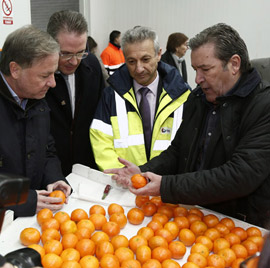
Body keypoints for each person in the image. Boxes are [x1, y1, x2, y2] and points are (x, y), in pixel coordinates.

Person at [105, 23, 270, 228]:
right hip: (193, 215)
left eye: (206, 69)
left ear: (234, 64)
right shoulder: (199, 98)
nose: (197, 79)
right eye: (194, 70)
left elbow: (240, 174)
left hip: (238, 224)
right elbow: (177, 151)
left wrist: (167, 186)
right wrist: (143, 172)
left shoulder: (263, 106)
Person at [90, 26, 190, 171]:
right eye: (131, 62)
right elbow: (101, 141)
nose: (139, 69)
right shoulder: (111, 95)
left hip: (167, 186)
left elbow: (189, 145)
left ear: (159, 54)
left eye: (145, 59)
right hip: (124, 186)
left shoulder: (183, 95)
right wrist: (123, 176)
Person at [0, 25, 71, 217]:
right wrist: (25, 200)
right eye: (44, 75)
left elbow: (46, 148)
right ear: (15, 70)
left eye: (53, 74)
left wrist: (54, 177)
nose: (53, 83)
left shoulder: (36, 97)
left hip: (35, 218)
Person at [46, 10, 105, 177]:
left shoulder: (92, 65)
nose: (74, 61)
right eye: (65, 53)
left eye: (80, 52)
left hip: (86, 168)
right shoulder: (36, 73)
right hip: (51, 169)